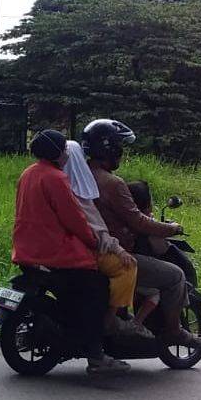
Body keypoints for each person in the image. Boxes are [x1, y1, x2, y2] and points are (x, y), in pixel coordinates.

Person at [13, 129, 130, 375]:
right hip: (56, 252)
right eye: (64, 149)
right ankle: (96, 355)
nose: (67, 153)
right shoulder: (56, 178)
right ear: (56, 153)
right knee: (97, 289)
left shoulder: (28, 174)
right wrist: (91, 241)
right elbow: (74, 218)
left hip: (26, 249)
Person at [83, 119, 201, 349]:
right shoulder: (112, 183)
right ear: (110, 149)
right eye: (119, 148)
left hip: (89, 247)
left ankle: (127, 321)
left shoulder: (83, 175)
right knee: (176, 276)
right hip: (114, 252)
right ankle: (173, 331)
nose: (121, 153)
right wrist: (171, 228)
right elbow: (138, 221)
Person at [62, 141, 152, 338]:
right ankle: (110, 322)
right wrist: (116, 248)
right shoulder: (84, 190)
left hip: (51, 249)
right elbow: (93, 228)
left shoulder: (47, 180)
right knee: (128, 267)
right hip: (83, 251)